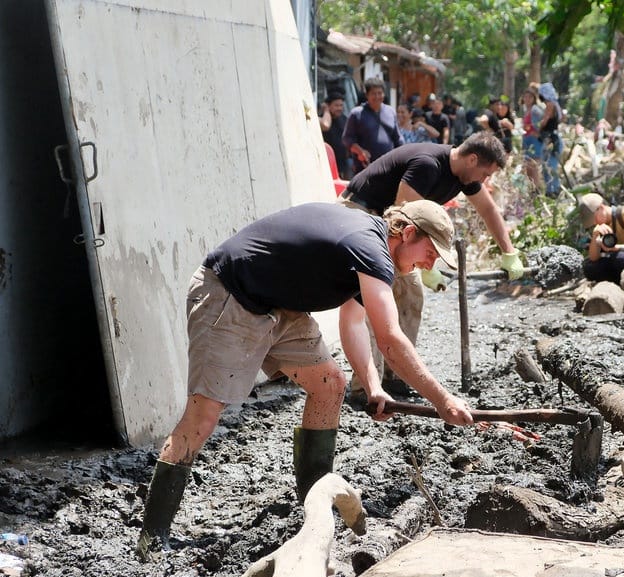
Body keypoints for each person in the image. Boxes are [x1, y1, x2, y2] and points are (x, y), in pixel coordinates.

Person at [136, 201, 474, 560]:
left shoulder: (373, 252)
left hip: (279, 307)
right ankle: (152, 539)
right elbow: (390, 340)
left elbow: (354, 323)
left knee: (330, 384)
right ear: (407, 233)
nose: (430, 263)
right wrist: (443, 400)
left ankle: (314, 502)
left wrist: (373, 386)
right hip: (229, 295)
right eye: (430, 251)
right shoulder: (369, 246)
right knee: (203, 416)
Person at [339, 132, 524, 392]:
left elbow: (488, 209)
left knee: (412, 294)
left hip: (395, 226)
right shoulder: (428, 164)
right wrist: (428, 266)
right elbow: (404, 214)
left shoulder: (464, 176)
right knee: (374, 297)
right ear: (472, 159)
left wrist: (509, 252)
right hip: (362, 213)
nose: (485, 181)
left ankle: (398, 374)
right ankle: (366, 386)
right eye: (486, 174)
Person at [577, 192, 624, 284]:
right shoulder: (601, 227)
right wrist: (595, 236)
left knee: (620, 257)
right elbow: (593, 258)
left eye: (595, 219)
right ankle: (617, 285)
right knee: (589, 267)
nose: (595, 223)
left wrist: (615, 248)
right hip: (618, 263)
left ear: (601, 208)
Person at [342, 77, 403, 174]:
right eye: (373, 93)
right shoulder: (356, 114)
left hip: (389, 167)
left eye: (380, 93)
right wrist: (360, 152)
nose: (377, 96)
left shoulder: (390, 112)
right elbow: (347, 139)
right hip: (365, 167)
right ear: (367, 95)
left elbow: (398, 139)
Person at [537, 82, 563, 196]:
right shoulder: (556, 105)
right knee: (551, 165)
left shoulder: (550, 105)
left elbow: (544, 122)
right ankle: (554, 188)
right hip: (554, 137)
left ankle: (552, 189)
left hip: (549, 139)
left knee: (548, 165)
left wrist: (538, 125)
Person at [520, 85, 546, 192]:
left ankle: (537, 191)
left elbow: (542, 124)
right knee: (528, 168)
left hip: (534, 141)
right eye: (525, 97)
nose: (527, 99)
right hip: (527, 140)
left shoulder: (535, 110)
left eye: (530, 97)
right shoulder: (526, 109)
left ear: (534, 98)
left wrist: (538, 133)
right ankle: (532, 190)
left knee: (534, 167)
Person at [320, 92, 350, 179]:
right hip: (326, 165)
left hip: (343, 165)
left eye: (341, 105)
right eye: (336, 105)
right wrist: (326, 111)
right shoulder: (322, 119)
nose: (339, 108)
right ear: (328, 106)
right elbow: (325, 125)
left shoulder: (344, 119)